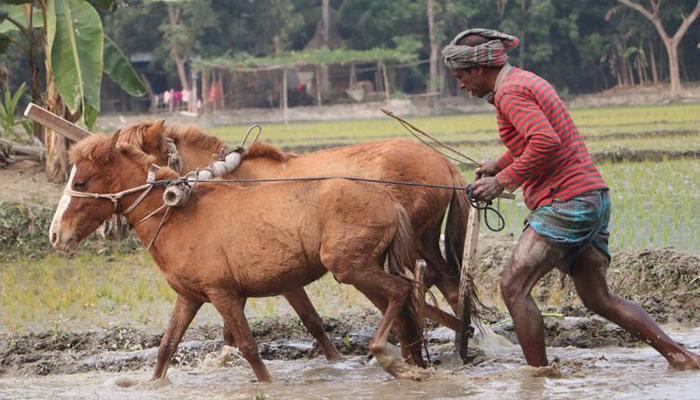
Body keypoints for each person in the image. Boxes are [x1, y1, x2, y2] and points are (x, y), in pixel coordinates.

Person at [442, 28, 700, 370]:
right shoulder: (524, 81)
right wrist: (498, 164)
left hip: (567, 203)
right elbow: (531, 140)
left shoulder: (510, 93)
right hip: (591, 197)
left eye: (460, 76)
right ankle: (682, 356)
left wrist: (501, 181)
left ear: (477, 69)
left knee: (512, 287)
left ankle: (538, 375)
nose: (461, 85)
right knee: (599, 298)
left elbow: (546, 142)